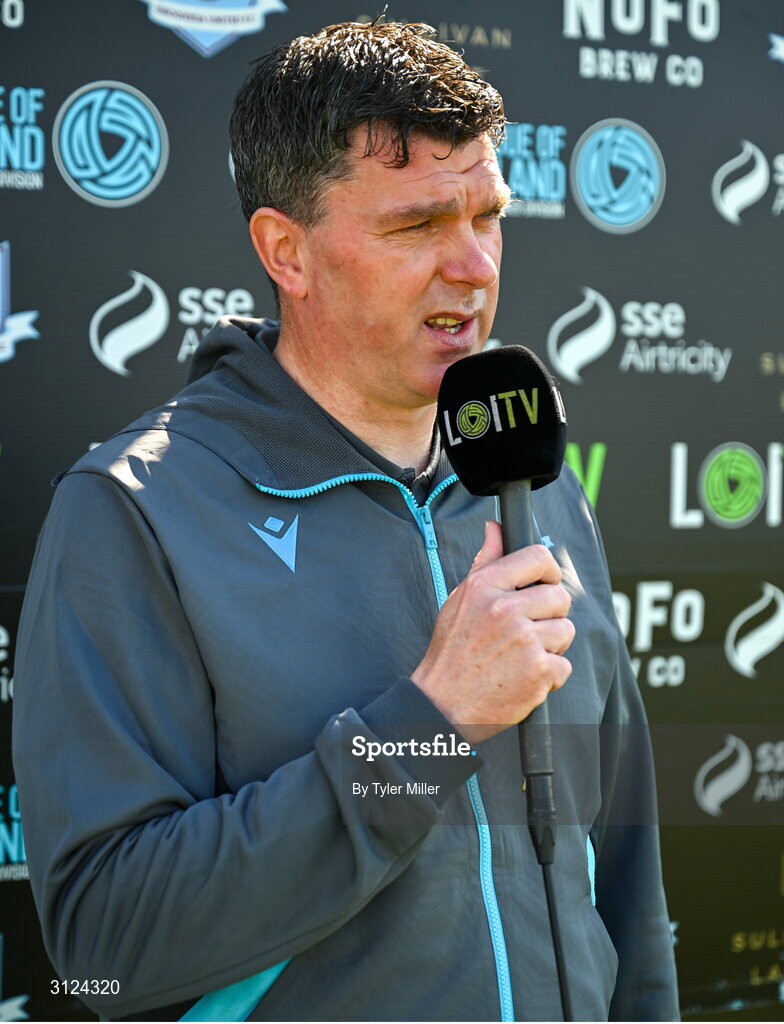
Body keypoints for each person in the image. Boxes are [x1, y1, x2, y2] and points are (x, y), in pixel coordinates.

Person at [13, 20, 679, 1023]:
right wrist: (430, 722)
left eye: (488, 216)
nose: (473, 265)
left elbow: (622, 885)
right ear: (286, 250)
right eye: (417, 227)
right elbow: (111, 947)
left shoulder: (533, 484)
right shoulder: (135, 511)